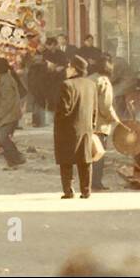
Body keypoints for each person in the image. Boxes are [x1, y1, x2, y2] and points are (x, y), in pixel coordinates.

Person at [53, 55, 99, 199]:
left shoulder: (67, 85)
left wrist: (57, 120)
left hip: (68, 128)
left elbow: (64, 109)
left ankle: (68, 191)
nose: (67, 69)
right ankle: (86, 191)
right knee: (85, 159)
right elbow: (95, 108)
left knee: (66, 160)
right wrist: (92, 125)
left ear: (74, 69)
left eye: (69, 67)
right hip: (86, 128)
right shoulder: (91, 85)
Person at [91, 56, 123, 191]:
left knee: (90, 153)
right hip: (100, 124)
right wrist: (115, 119)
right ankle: (96, 183)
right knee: (99, 153)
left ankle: (88, 181)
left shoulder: (91, 79)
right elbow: (106, 106)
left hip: (88, 122)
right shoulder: (105, 82)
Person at [0, 57, 26, 169]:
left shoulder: (6, 81)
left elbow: (7, 101)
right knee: (2, 137)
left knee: (3, 137)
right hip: (9, 113)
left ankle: (17, 158)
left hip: (9, 114)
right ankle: (11, 161)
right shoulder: (5, 77)